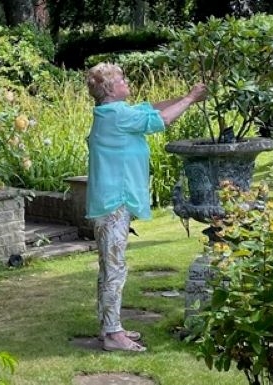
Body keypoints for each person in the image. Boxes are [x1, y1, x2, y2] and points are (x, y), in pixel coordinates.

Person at [85, 62, 207, 352]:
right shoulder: (116, 115)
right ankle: (114, 335)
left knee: (109, 269)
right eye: (123, 79)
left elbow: (149, 108)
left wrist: (186, 97)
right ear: (111, 88)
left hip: (110, 202)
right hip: (114, 203)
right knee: (115, 269)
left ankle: (109, 327)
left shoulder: (114, 112)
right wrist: (190, 99)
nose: (127, 82)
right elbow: (161, 120)